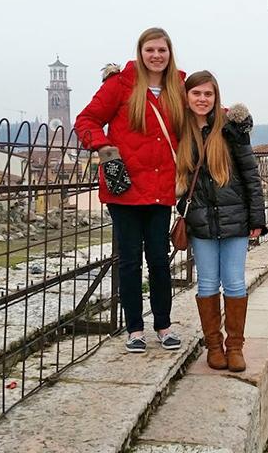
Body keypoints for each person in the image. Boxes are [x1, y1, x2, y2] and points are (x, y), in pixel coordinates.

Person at [74, 27, 186, 354]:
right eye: (150, 50)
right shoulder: (120, 86)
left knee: (159, 260)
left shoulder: (177, 86)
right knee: (130, 262)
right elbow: (86, 121)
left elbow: (199, 115)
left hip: (160, 187)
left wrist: (231, 120)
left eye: (161, 50)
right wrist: (104, 147)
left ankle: (163, 325)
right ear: (140, 52)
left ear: (169, 53)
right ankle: (134, 328)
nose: (156, 56)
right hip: (124, 188)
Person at [176, 71, 265, 373]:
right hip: (201, 222)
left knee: (235, 281)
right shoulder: (180, 133)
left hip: (235, 218)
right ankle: (214, 346)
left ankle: (235, 346)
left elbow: (250, 174)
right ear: (186, 98)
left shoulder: (232, 130)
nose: (202, 99)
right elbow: (175, 178)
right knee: (208, 282)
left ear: (216, 97)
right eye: (196, 94)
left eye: (208, 94)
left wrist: (257, 217)